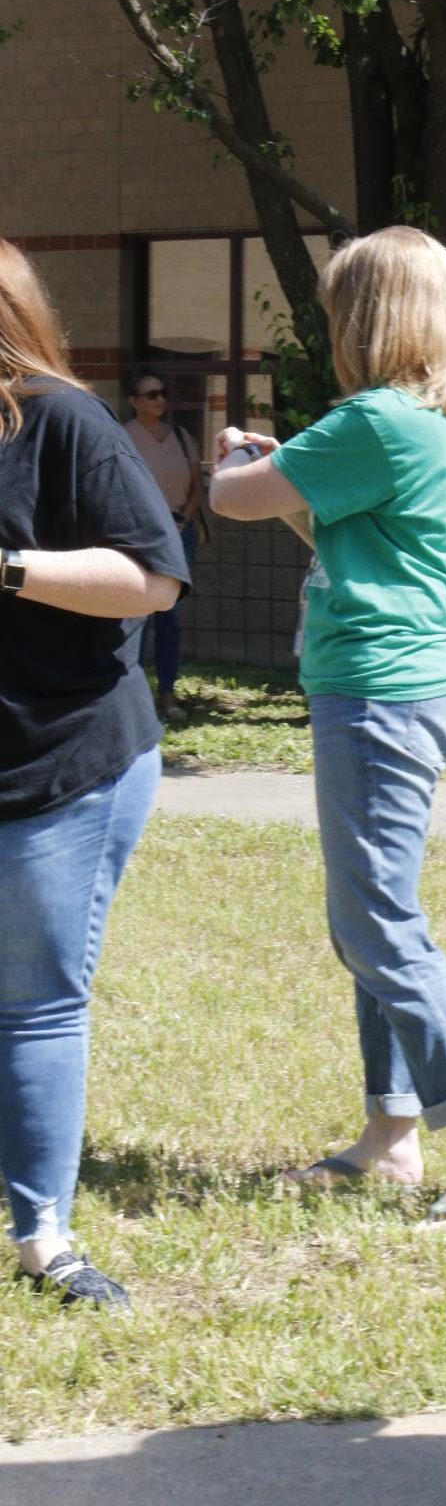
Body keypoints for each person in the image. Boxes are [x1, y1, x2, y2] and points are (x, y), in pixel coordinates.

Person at [209, 227, 446, 1234]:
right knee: (372, 915)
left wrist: (234, 454)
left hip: (375, 695)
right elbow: (349, 538)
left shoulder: (367, 422)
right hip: (422, 688)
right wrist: (293, 477)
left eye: (337, 304)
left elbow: (235, 503)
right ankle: (390, 1136)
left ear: (367, 319)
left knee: (375, 925)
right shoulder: (440, 428)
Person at [0, 239, 188, 1310]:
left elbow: (152, 580)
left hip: (63, 758)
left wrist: (8, 567)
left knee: (31, 998)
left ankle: (44, 1240)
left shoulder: (62, 421)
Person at [122, 362, 204, 726]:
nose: (160, 400)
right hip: (139, 536)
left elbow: (197, 488)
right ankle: (134, 693)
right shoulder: (122, 436)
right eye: (151, 394)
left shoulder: (183, 436)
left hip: (179, 533)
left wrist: (183, 519)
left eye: (163, 393)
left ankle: (168, 691)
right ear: (134, 401)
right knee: (136, 613)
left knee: (170, 615)